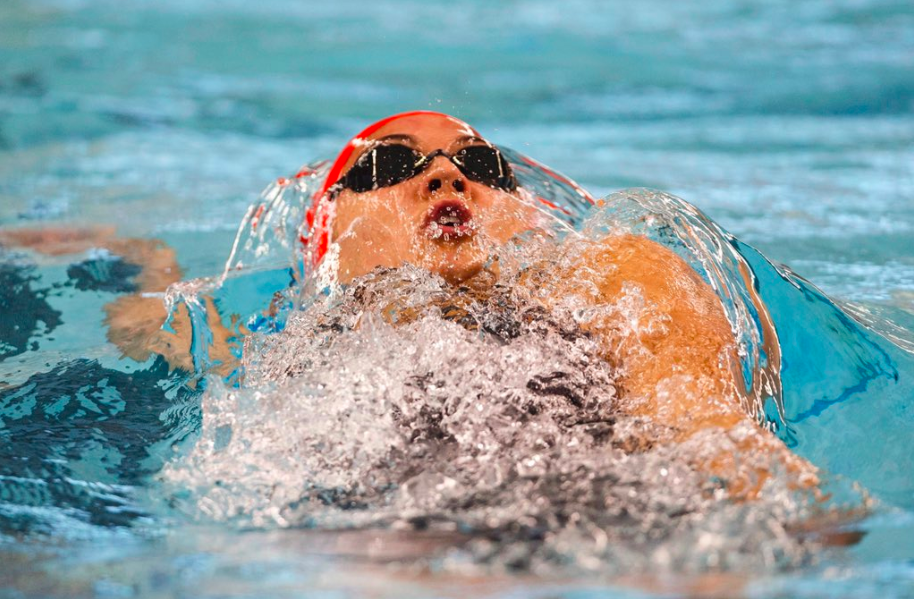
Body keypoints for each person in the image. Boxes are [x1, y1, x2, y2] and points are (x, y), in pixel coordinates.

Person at [0, 111, 817, 500]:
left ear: (531, 214)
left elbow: (714, 449)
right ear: (322, 236)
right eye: (386, 164)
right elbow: (161, 325)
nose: (445, 177)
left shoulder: (617, 278)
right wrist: (134, 255)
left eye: (483, 165)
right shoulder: (271, 348)